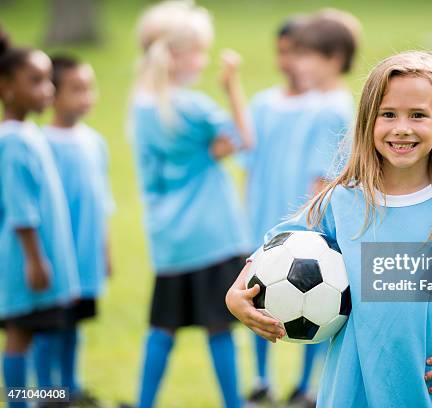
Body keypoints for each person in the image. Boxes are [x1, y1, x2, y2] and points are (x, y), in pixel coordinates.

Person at [227, 51, 432, 407]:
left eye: (417, 115)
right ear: (369, 122)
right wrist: (236, 295)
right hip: (348, 397)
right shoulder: (341, 201)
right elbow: (274, 249)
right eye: (388, 114)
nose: (402, 127)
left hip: (431, 396)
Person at [128, 1, 252, 407]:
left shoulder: (140, 108)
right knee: (220, 326)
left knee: (161, 327)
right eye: (198, 51)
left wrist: (209, 152)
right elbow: (244, 140)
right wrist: (232, 83)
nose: (203, 59)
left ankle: (144, 402)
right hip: (211, 235)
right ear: (177, 55)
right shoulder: (193, 106)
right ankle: (234, 403)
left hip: (169, 241)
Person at [244, 11, 359, 406]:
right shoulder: (317, 103)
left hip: (308, 226)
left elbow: (323, 178)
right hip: (288, 220)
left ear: (333, 59)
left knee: (315, 297)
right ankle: (269, 381)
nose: (298, 63)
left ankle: (309, 387)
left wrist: (305, 229)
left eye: (306, 55)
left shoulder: (333, 107)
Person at [0, 28, 79, 408]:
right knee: (20, 334)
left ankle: (41, 397)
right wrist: (34, 258)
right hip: (24, 258)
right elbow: (20, 209)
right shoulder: (12, 139)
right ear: (6, 87)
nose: (46, 88)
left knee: (39, 330)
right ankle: (19, 402)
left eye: (48, 79)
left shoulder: (28, 132)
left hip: (39, 255)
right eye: (34, 81)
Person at [32, 54, 114, 407]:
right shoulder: (41, 143)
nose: (86, 97)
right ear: (53, 93)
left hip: (85, 256)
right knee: (47, 329)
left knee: (74, 325)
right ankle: (43, 393)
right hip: (54, 256)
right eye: (76, 89)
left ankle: (70, 387)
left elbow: (103, 203)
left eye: (89, 88)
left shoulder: (95, 142)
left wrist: (105, 250)